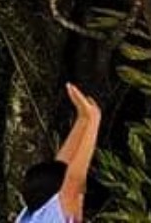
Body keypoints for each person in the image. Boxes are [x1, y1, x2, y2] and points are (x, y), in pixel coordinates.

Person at [16, 82, 101, 223]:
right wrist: (93, 119)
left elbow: (61, 168)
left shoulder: (32, 215)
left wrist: (84, 120)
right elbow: (73, 180)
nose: (80, 197)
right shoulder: (52, 218)